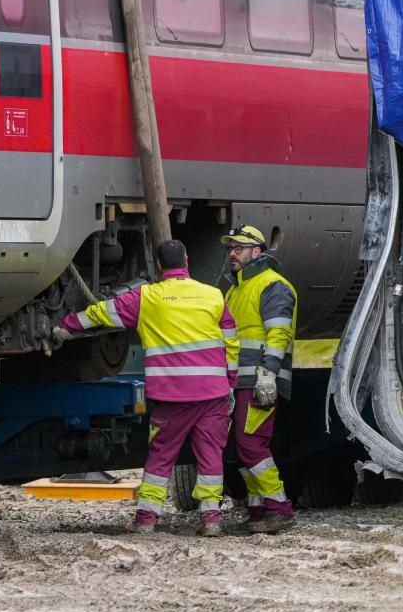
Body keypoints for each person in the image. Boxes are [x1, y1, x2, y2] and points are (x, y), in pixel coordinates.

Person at [53, 239, 238, 536]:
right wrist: (230, 382)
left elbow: (102, 312)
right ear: (187, 262)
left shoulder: (146, 297)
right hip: (212, 394)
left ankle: (146, 520)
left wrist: (67, 326)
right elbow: (231, 339)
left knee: (162, 457)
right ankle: (211, 520)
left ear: (159, 265)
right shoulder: (213, 296)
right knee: (210, 456)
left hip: (172, 397)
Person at [220, 225, 297, 534]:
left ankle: (279, 509)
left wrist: (268, 376)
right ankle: (257, 510)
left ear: (257, 251)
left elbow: (279, 334)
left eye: (239, 247)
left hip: (259, 382)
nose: (233, 253)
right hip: (241, 382)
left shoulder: (273, 285)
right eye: (230, 248)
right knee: (240, 448)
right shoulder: (234, 289)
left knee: (251, 446)